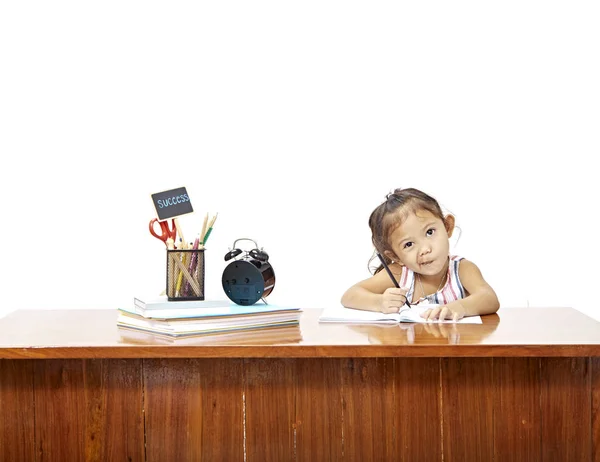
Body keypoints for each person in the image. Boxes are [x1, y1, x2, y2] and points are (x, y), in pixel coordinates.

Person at [341, 188, 499, 321]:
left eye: (430, 232)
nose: (424, 249)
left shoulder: (461, 269)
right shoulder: (400, 274)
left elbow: (489, 298)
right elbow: (350, 295)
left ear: (447, 227)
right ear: (396, 256)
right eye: (408, 244)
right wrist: (380, 302)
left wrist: (459, 307)